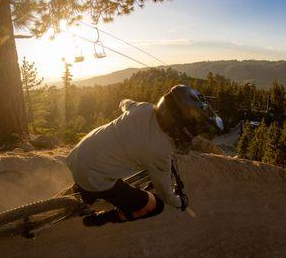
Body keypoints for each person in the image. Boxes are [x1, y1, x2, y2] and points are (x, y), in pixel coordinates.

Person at [65, 84, 224, 226]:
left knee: (95, 172)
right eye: (196, 130)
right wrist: (180, 202)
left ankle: (78, 193)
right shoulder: (161, 153)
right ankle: (99, 219)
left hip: (77, 154)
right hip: (93, 177)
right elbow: (166, 195)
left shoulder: (144, 108)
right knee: (155, 206)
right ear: (184, 127)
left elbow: (124, 103)